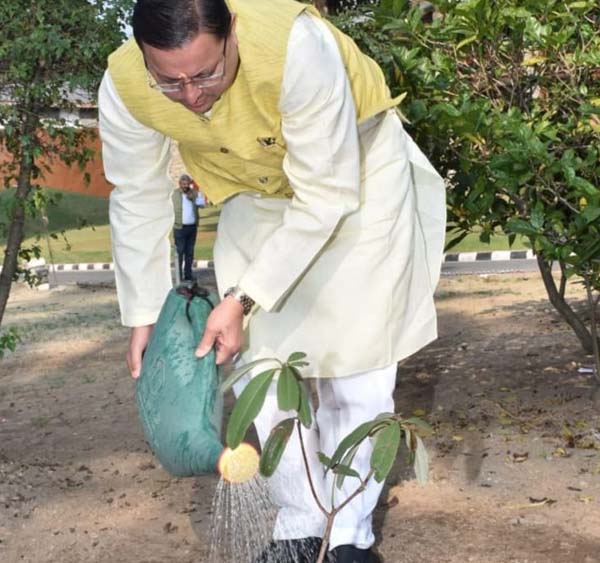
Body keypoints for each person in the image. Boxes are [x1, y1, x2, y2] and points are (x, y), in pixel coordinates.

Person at [98, 0, 446, 561]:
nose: (192, 96)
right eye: (170, 81)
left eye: (207, 73)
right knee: (260, 368)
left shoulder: (298, 47)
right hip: (257, 193)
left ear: (232, 30)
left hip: (356, 175)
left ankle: (346, 536)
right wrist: (141, 312)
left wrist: (242, 296)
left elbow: (326, 194)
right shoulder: (122, 85)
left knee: (356, 369)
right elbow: (136, 196)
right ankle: (299, 526)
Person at [173, 173, 205, 281]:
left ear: (189, 184)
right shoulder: (174, 194)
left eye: (186, 184)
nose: (185, 186)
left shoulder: (194, 193)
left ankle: (188, 275)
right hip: (179, 228)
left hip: (192, 228)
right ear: (179, 184)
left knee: (189, 253)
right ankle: (179, 276)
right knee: (180, 252)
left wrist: (194, 199)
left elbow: (202, 204)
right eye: (183, 184)